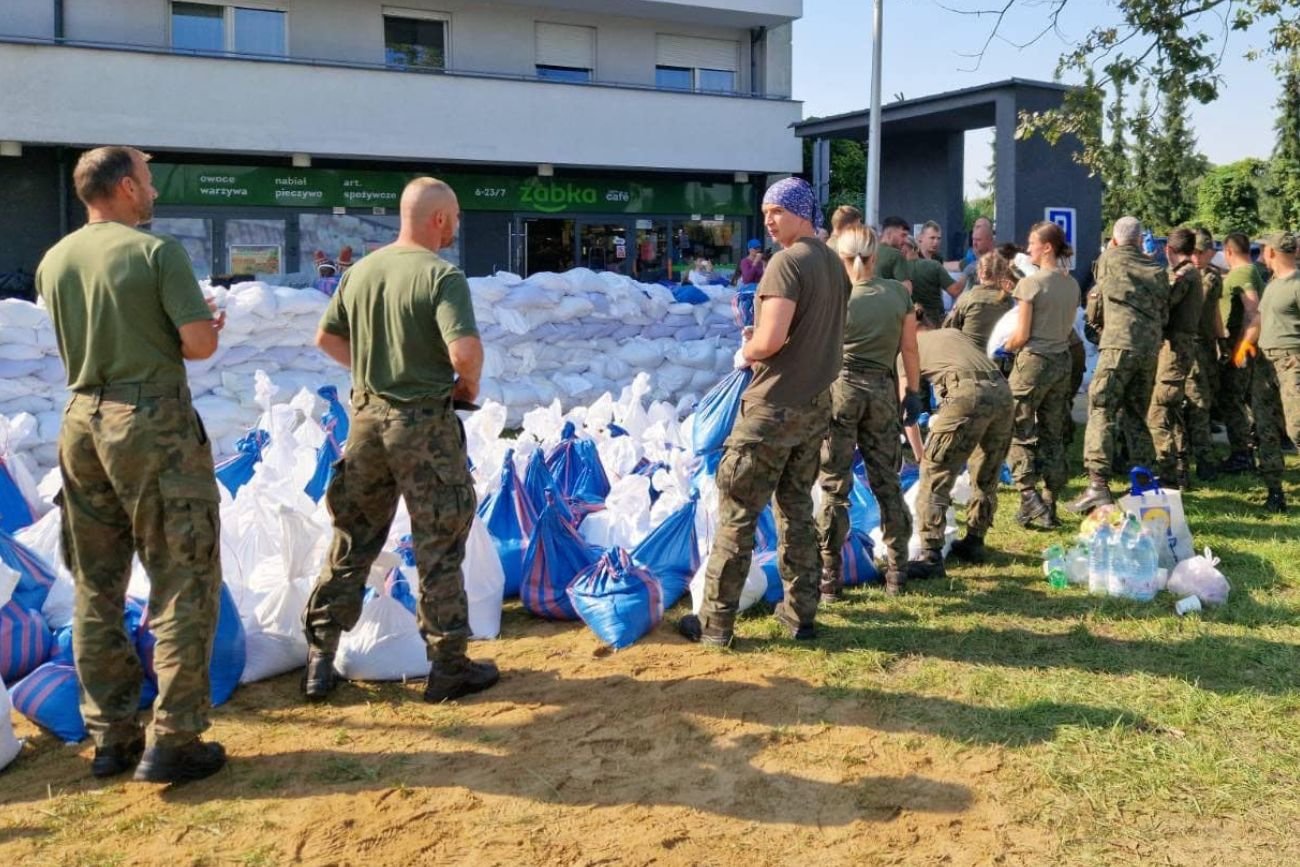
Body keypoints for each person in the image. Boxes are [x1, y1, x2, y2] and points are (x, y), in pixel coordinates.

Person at [35, 146, 227, 783]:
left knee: (96, 584)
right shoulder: (155, 252)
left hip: (81, 423)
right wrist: (202, 329)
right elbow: (197, 343)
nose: (152, 192)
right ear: (122, 187)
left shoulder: (55, 259)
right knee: (181, 577)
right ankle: (175, 739)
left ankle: (112, 738)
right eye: (145, 181)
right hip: (150, 423)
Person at [302, 177, 497, 702]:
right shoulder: (441, 275)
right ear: (439, 218)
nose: (455, 226)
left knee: (354, 537)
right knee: (438, 543)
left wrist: (371, 373)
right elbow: (465, 354)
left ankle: (320, 658)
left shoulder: (360, 271)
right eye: (454, 216)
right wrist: (465, 387)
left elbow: (326, 337)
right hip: (424, 426)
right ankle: (447, 666)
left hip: (366, 421)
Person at [679, 177, 848, 646]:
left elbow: (770, 340)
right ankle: (800, 615)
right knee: (796, 511)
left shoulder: (786, 262)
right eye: (766, 210)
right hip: (814, 405)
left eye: (777, 210)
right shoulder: (834, 264)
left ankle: (714, 623)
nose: (769, 219)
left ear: (801, 212)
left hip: (772, 407)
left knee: (738, 513)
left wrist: (747, 349)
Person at [816, 226, 923, 599]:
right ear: (875, 256)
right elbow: (909, 350)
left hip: (841, 388)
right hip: (882, 390)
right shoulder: (897, 294)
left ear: (839, 258)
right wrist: (913, 392)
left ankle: (829, 575)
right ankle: (897, 569)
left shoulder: (834, 297)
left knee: (835, 485)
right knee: (887, 482)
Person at [1070, 216, 1170, 513]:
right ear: (1140, 240)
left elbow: (1097, 300)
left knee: (1101, 407)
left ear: (1114, 239)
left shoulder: (1108, 259)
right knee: (1137, 414)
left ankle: (1097, 486)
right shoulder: (1156, 269)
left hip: (1117, 344)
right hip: (1149, 350)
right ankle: (1144, 481)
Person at [905, 308, 1015, 576]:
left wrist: (920, 453)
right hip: (1002, 392)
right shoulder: (954, 333)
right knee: (986, 470)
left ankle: (930, 554)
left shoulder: (907, 348)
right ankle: (975, 540)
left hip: (965, 394)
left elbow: (906, 411)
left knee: (935, 471)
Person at [1002, 221, 1081, 529]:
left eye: (1032, 243)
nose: (1028, 248)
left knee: (1015, 427)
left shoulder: (1031, 284)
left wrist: (1002, 346)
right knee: (1054, 432)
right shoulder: (1072, 284)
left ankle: (1027, 494)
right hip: (1061, 361)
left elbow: (1021, 335)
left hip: (1033, 362)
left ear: (1047, 247)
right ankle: (1049, 501)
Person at [1238, 231, 1300, 512]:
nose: (1261, 254)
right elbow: (1260, 318)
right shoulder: (1272, 284)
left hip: (1291, 363)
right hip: (1265, 363)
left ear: (1274, 253)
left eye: (1264, 249)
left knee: (1297, 427)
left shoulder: (1297, 285)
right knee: (1264, 427)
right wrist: (1246, 344)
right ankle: (1275, 491)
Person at [1146, 227, 1205, 489]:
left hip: (1175, 349)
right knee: (1173, 408)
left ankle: (1167, 471)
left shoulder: (1184, 274)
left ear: (1168, 249)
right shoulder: (1192, 271)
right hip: (1179, 347)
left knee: (1158, 411)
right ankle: (1180, 467)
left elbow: (1165, 302)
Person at [1217, 232, 1265, 473]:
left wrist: (1243, 346)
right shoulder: (1251, 270)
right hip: (1242, 341)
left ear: (1228, 252)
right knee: (1242, 398)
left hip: (1238, 342)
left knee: (1231, 399)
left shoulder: (1243, 273)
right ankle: (1250, 449)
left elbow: (1252, 309)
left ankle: (1242, 454)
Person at [1186, 228, 1226, 481]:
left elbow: (1212, 313)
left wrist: (1221, 339)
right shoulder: (1201, 275)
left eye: (1202, 252)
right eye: (1194, 252)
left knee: (1200, 402)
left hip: (1200, 344)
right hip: (1194, 343)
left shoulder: (1207, 278)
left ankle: (1203, 457)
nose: (1197, 257)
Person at [944, 250, 1015, 351]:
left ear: (980, 273)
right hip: (997, 359)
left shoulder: (967, 298)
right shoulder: (1009, 301)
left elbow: (948, 329)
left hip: (969, 356)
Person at [908, 233, 958, 327]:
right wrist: (967, 275)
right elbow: (955, 290)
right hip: (934, 323)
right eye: (932, 238)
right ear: (916, 248)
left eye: (938, 238)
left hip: (907, 325)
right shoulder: (934, 266)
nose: (935, 242)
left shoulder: (893, 270)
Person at [952, 219, 997, 292]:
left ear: (990, 240)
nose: (974, 243)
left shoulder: (999, 261)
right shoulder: (971, 263)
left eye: (978, 240)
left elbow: (956, 290)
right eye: (973, 239)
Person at [877, 216, 914, 290]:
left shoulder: (867, 252)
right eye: (903, 235)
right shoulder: (896, 255)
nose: (905, 240)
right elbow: (906, 289)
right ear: (889, 234)